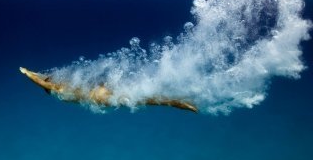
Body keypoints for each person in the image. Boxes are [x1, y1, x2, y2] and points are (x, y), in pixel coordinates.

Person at [19, 67, 197, 113]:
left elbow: (41, 80)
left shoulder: (58, 91)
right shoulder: (60, 87)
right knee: (145, 95)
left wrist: (29, 74)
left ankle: (178, 103)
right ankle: (181, 99)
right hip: (101, 91)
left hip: (101, 97)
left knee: (147, 99)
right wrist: (29, 73)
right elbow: (42, 80)